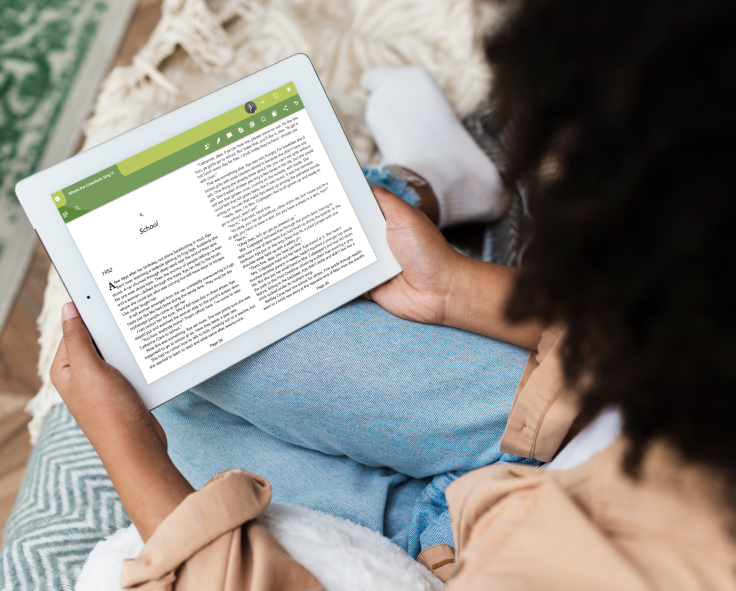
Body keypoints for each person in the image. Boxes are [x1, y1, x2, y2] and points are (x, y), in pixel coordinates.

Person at [50, 0, 736, 588]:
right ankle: (429, 180)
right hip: (550, 415)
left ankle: (425, 177)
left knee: (161, 401)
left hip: (441, 552)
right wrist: (456, 290)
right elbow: (655, 318)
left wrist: (125, 452)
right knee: (173, 349)